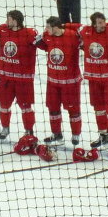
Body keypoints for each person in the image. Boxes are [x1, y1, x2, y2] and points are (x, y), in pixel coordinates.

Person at [0, 11, 39, 140]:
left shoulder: (30, 33)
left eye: (8, 19)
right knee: (4, 105)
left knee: (26, 107)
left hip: (23, 79)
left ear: (15, 21)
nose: (6, 21)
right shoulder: (3, 30)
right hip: (6, 77)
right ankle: (5, 128)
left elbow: (46, 45)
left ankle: (28, 131)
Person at [79, 13, 108, 151]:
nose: (102, 25)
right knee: (98, 108)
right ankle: (103, 135)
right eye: (98, 23)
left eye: (103, 22)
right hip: (94, 79)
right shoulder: (85, 31)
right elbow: (72, 26)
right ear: (93, 24)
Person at [35, 16, 83, 145]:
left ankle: (76, 135)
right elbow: (42, 45)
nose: (46, 29)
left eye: (48, 27)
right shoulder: (47, 36)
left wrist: (67, 25)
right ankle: (56, 134)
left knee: (73, 109)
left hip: (70, 82)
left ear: (56, 27)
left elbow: (83, 33)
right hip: (53, 81)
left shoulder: (73, 36)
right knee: (53, 108)